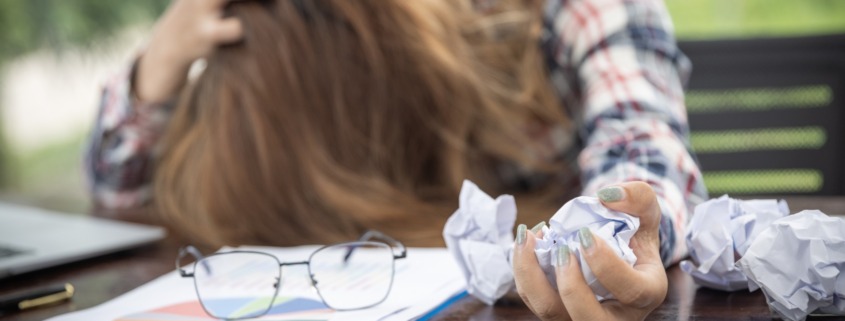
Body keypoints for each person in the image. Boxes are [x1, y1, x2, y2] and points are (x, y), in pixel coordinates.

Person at [85, 0, 707, 319]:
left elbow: (645, 150)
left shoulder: (568, 16)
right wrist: (156, 69)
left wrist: (619, 240)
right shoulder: (284, 47)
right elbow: (118, 192)